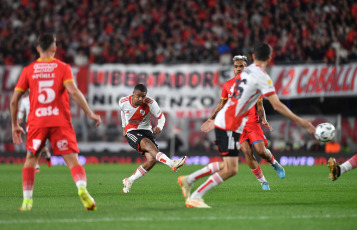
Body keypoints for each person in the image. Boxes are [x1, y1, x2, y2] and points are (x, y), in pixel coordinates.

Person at [180, 43, 315, 208]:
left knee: (228, 166)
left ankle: (189, 179)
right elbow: (277, 105)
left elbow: (248, 101)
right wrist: (301, 121)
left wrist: (214, 118)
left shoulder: (247, 72)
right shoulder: (260, 76)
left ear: (252, 58)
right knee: (231, 169)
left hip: (231, 121)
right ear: (269, 58)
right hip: (230, 123)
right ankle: (195, 195)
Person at [10, 33, 101, 211]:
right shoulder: (63, 67)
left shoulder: (28, 70)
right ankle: (82, 188)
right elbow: (74, 92)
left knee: (30, 159)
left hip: (37, 122)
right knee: (73, 161)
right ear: (54, 48)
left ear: (38, 49)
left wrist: (15, 125)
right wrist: (90, 113)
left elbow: (14, 101)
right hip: (60, 121)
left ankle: (27, 201)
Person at [183, 55, 284, 194]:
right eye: (236, 66)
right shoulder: (228, 85)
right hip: (236, 125)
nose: (238, 68)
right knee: (247, 152)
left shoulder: (255, 84)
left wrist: (264, 119)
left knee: (261, 151)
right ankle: (263, 182)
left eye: (241, 66)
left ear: (246, 67)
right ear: (233, 68)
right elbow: (221, 104)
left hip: (252, 123)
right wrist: (211, 118)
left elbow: (260, 106)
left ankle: (274, 163)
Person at [119, 84, 187, 193]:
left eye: (143, 96)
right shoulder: (123, 101)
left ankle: (129, 180)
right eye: (138, 96)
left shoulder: (150, 103)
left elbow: (161, 117)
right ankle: (171, 164)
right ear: (133, 93)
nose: (141, 99)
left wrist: (160, 126)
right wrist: (124, 127)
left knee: (152, 160)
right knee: (146, 143)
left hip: (147, 131)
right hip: (132, 131)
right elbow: (122, 111)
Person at [18, 94, 52, 172]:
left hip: (41, 124)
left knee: (41, 147)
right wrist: (20, 118)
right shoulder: (24, 100)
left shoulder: (42, 98)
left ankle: (46, 154)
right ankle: (36, 165)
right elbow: (21, 110)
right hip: (30, 125)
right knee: (32, 145)